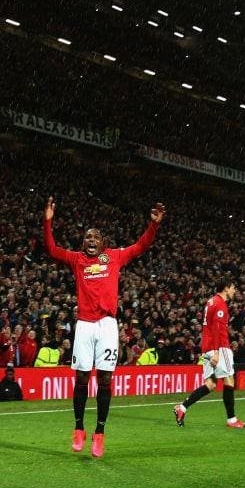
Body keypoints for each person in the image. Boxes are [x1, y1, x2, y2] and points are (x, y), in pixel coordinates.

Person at [44, 196, 164, 458]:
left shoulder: (114, 257)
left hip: (108, 325)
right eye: (87, 237)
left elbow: (141, 246)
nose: (90, 240)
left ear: (103, 242)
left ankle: (99, 432)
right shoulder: (77, 261)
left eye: (95, 237)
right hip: (85, 325)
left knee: (105, 379)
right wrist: (48, 221)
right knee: (82, 378)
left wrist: (153, 225)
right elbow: (52, 249)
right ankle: (78, 428)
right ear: (83, 242)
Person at [173, 278, 245, 430]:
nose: (234, 291)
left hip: (207, 347)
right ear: (226, 288)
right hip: (219, 347)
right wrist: (216, 352)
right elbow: (216, 328)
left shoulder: (211, 302)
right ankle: (232, 419)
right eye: (233, 287)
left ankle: (182, 408)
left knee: (210, 384)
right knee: (229, 380)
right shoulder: (220, 304)